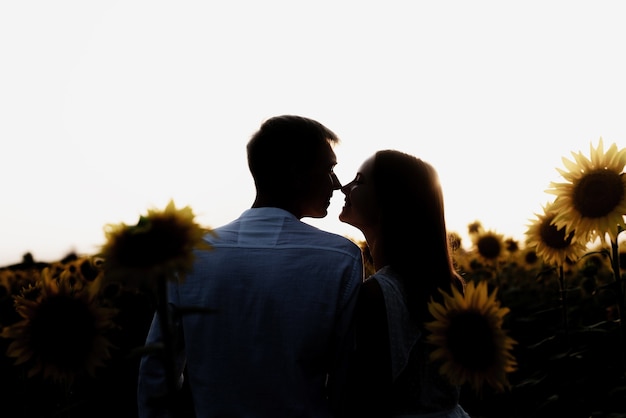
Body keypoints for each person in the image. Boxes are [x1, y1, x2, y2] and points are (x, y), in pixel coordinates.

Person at [136, 115, 363, 418]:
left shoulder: (190, 254)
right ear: (296, 172)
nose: (336, 185)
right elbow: (345, 380)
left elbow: (157, 371)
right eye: (329, 169)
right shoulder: (340, 258)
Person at [338, 150, 470, 418]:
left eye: (359, 180)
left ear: (389, 199)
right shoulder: (450, 284)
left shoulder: (377, 293)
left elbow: (360, 398)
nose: (345, 187)